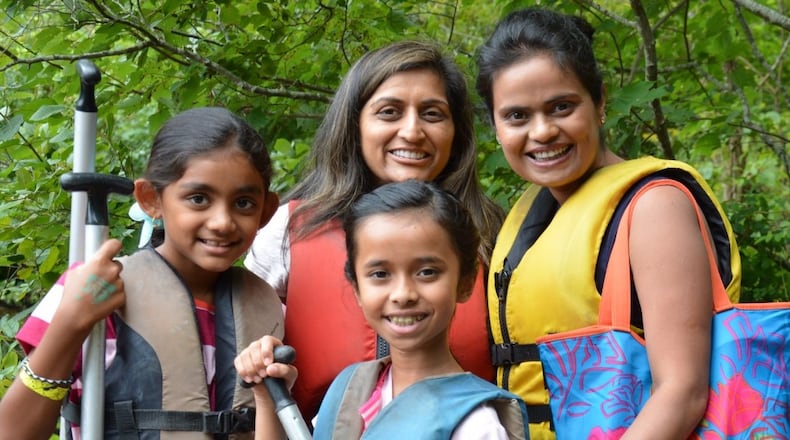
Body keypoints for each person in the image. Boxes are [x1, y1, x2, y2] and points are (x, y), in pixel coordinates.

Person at [474, 7, 741, 440]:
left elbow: (683, 392)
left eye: (561, 107)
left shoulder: (654, 206)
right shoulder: (527, 215)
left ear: (599, 102)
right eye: (517, 116)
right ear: (495, 126)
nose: (541, 132)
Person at [244, 40, 505, 422]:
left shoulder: (494, 236)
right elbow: (243, 355)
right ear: (356, 125)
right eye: (389, 112)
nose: (412, 131)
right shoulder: (287, 230)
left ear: (456, 132)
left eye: (432, 114)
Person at [0, 107, 290, 439]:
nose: (222, 222)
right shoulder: (93, 289)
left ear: (266, 210)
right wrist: (69, 322)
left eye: (243, 203)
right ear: (151, 199)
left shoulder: (270, 309)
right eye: (198, 199)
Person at [311, 180, 528, 439]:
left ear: (466, 282)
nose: (403, 295)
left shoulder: (476, 425)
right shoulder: (349, 391)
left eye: (427, 272)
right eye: (380, 274)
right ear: (357, 287)